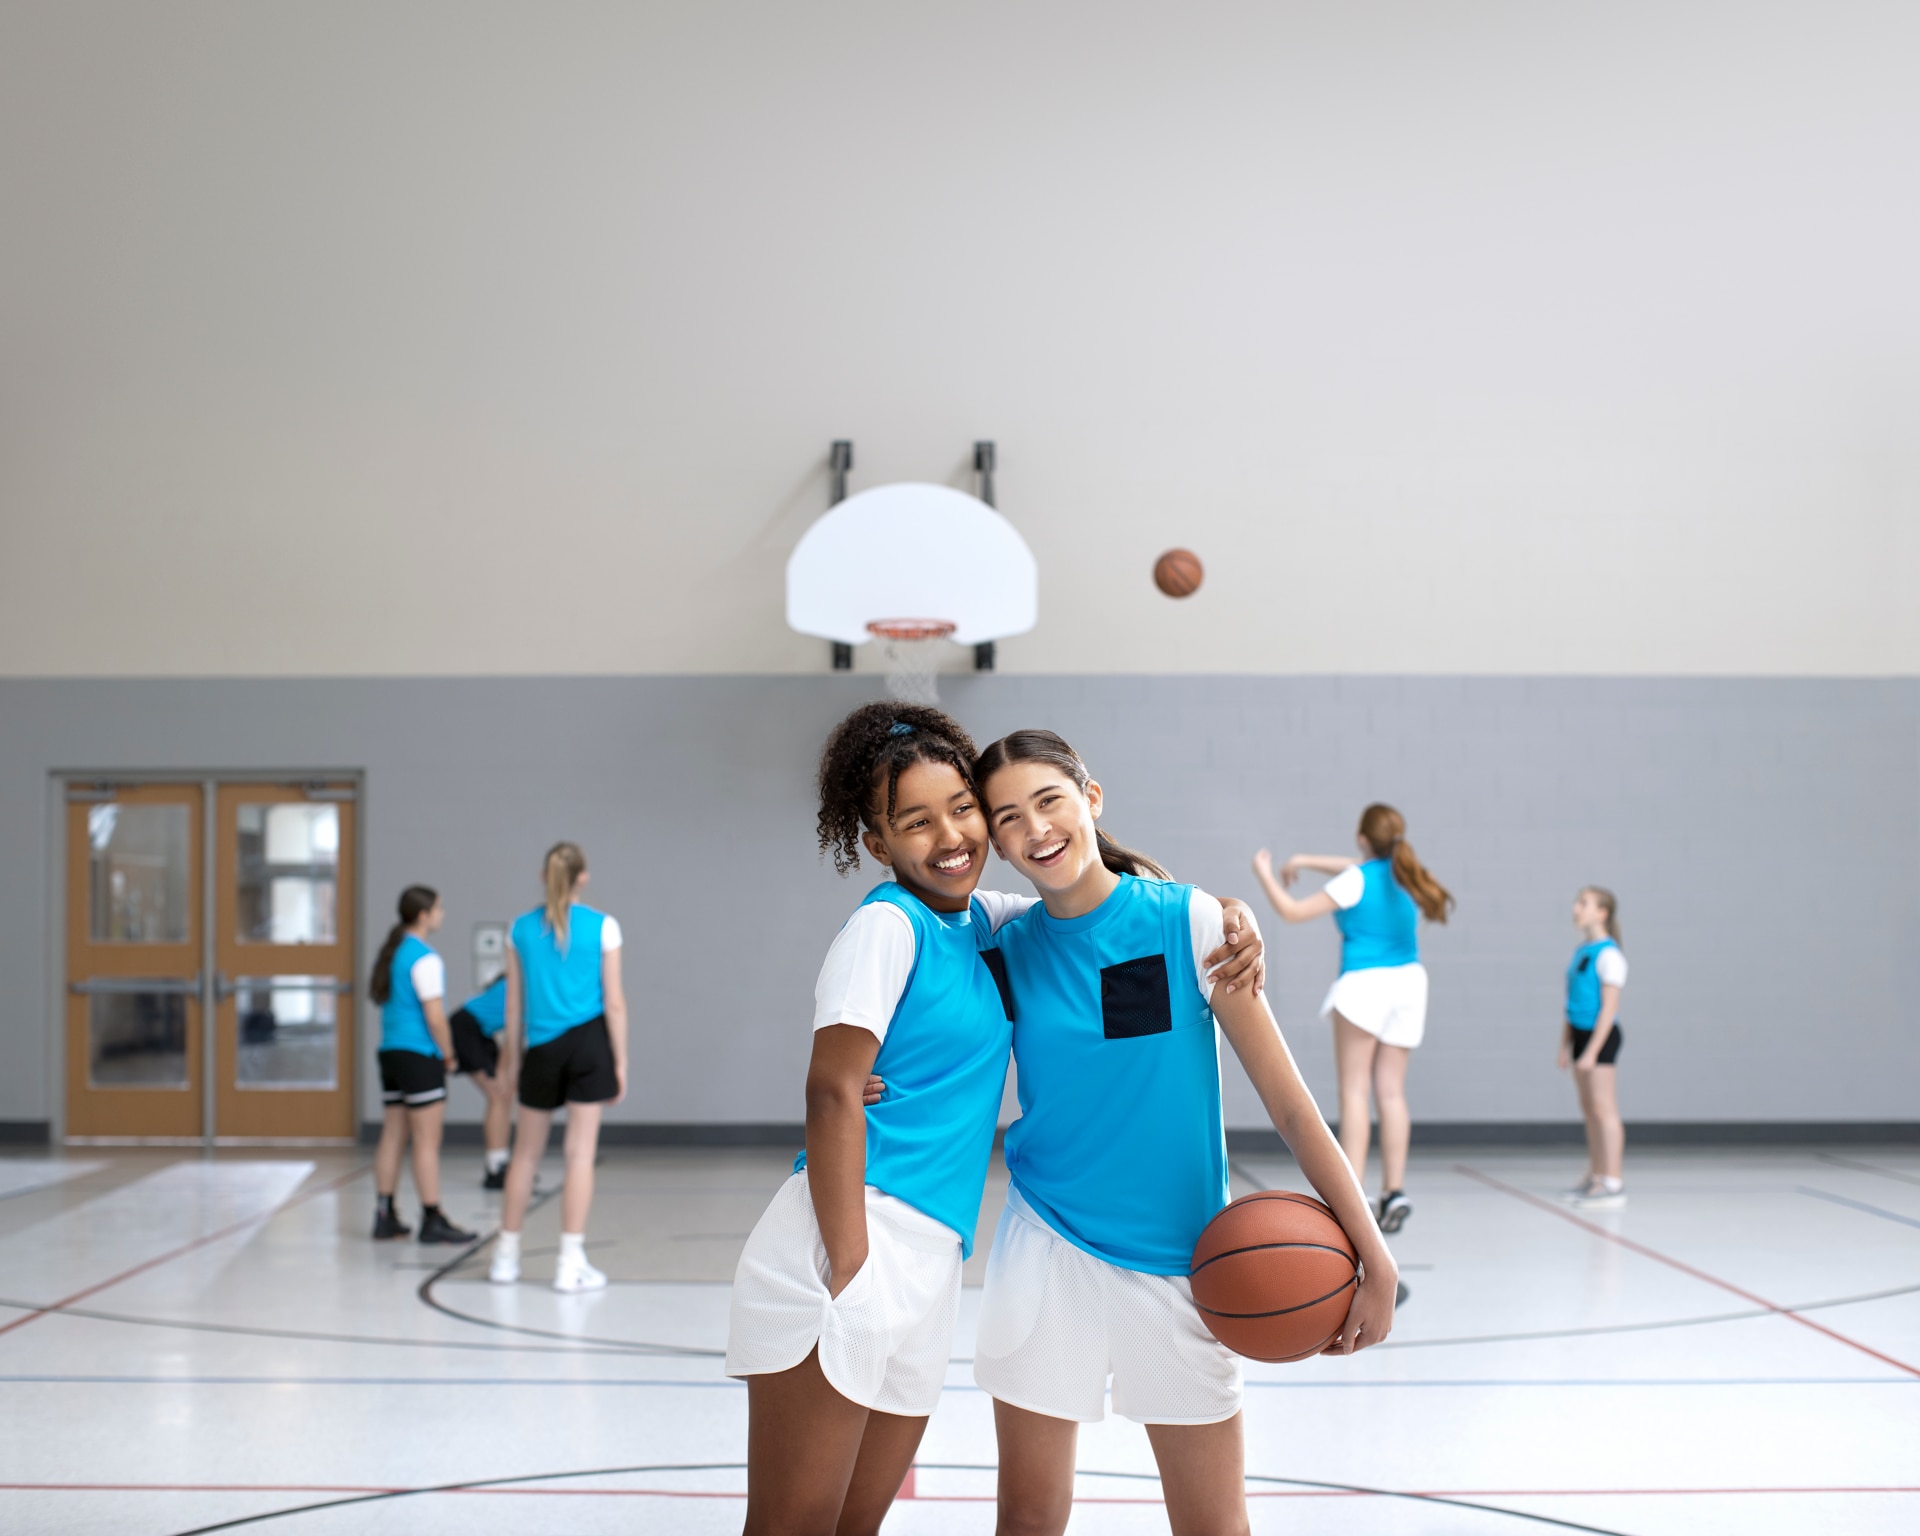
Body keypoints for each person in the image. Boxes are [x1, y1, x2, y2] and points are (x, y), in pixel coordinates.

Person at [727, 704, 1267, 1536]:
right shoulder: (884, 925)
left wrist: (1227, 910)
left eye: (963, 809)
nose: (949, 835)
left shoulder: (984, 925)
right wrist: (850, 1267)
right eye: (915, 822)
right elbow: (832, 1092)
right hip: (850, 1246)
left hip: (929, 1261)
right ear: (877, 845)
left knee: (852, 1525)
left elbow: (1100, 908)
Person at [974, 731, 1396, 1536]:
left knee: (1212, 1523)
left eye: (1048, 800)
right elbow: (921, 1008)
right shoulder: (1001, 940)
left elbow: (1292, 1105)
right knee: (1027, 1517)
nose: (1034, 828)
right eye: (1008, 817)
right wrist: (873, 1078)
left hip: (1186, 1262)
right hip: (1045, 1244)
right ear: (995, 840)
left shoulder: (1194, 922)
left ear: (1091, 799)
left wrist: (1373, 1253)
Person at [1251, 804, 1452, 1236]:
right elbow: (1356, 867)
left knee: (1355, 1092)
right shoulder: (1404, 874)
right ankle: (1394, 1190)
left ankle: (1355, 1194)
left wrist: (1265, 872)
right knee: (1391, 1093)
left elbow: (1292, 911)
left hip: (1365, 986)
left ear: (1362, 839)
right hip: (1409, 983)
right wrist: (1304, 859)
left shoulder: (1356, 879)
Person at [488, 843, 628, 1293]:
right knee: (579, 1154)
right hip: (590, 1046)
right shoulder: (604, 927)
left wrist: (510, 1061)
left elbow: (513, 1003)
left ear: (543, 874)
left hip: (541, 1049)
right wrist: (620, 1061)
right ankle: (570, 1263)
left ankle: (504, 1257)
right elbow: (615, 1002)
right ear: (582, 877)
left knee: (525, 1155)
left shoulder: (519, 930)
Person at [368, 886, 476, 1245]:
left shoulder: (395, 952)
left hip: (390, 1053)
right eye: (439, 909)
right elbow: (435, 1017)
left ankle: (384, 1214)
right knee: (427, 1141)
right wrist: (448, 1053)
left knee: (393, 1134)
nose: (442, 915)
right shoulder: (425, 958)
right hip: (419, 1055)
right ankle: (432, 1217)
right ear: (423, 915)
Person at [1561, 886, 1627, 1207]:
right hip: (1580, 1037)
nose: (1576, 908)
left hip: (1600, 1040)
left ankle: (1612, 1181)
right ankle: (1596, 1174)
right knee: (1590, 1111)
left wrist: (1591, 1052)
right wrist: (1566, 1045)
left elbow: (1608, 1009)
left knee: (1604, 1110)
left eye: (1583, 903)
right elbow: (1570, 1003)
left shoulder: (1610, 955)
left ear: (1602, 912)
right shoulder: (1581, 951)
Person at [447, 974, 515, 1189]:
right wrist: (502, 1072)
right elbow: (513, 1036)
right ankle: (495, 1167)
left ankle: (500, 1161)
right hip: (466, 1028)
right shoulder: (526, 985)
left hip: (481, 1032)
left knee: (504, 1096)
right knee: (497, 1095)